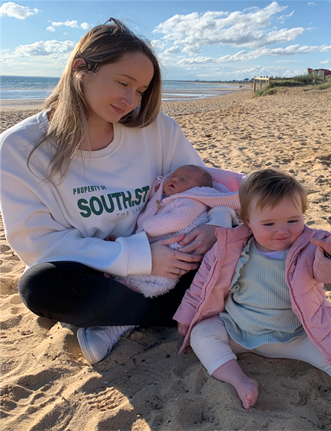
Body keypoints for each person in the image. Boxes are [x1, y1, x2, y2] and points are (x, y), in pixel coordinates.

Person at [0, 19, 238, 365]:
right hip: (97, 269)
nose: (131, 100)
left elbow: (207, 186)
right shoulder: (21, 147)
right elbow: (38, 245)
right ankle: (193, 307)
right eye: (123, 83)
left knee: (243, 252)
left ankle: (129, 316)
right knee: (40, 286)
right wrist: (139, 256)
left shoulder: (158, 129)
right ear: (81, 69)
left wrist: (215, 226)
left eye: (141, 89)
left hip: (174, 263)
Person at [174, 169, 331, 413]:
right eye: (269, 223)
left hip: (295, 335)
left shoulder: (313, 246)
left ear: (303, 214)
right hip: (238, 329)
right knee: (201, 334)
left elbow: (329, 273)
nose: (283, 230)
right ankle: (238, 380)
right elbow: (204, 282)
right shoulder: (230, 247)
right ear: (247, 220)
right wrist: (188, 314)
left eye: (293, 220)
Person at [110, 164, 243, 298]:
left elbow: (178, 220)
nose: (175, 180)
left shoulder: (192, 202)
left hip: (173, 244)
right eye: (173, 176)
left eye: (184, 180)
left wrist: (148, 226)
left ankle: (135, 283)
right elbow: (145, 217)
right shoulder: (163, 198)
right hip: (151, 242)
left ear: (197, 189)